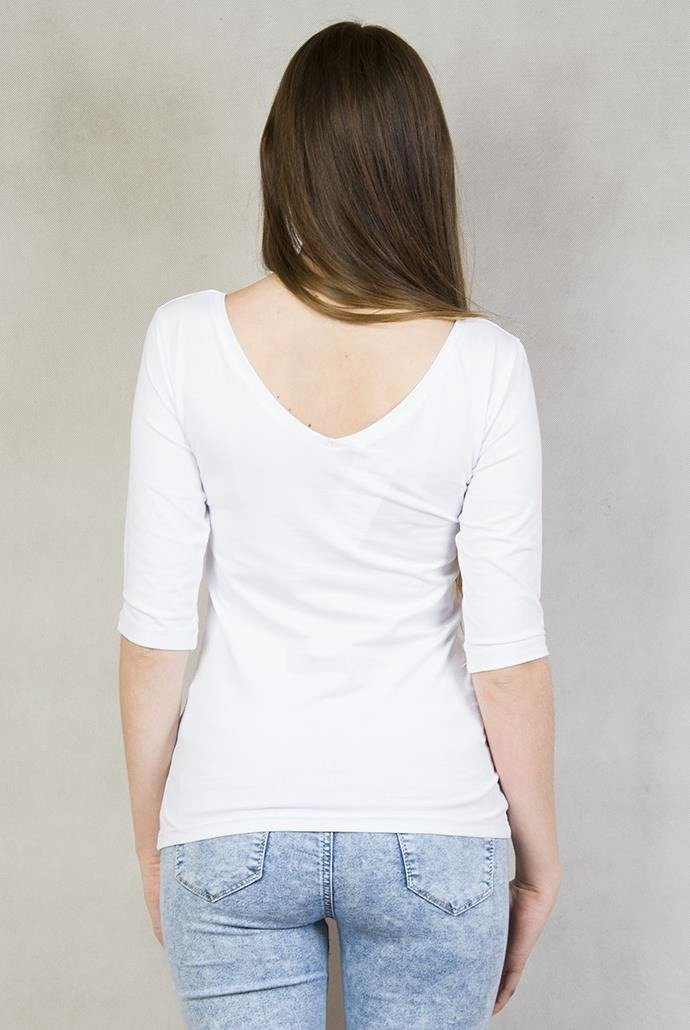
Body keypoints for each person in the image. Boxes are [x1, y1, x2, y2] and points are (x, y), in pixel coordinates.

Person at [117, 19, 561, 1030]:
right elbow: (506, 660)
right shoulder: (486, 364)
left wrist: (154, 839)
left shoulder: (185, 341)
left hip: (229, 821)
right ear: (421, 169)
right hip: (434, 826)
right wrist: (539, 860)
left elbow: (154, 639)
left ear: (282, 162)